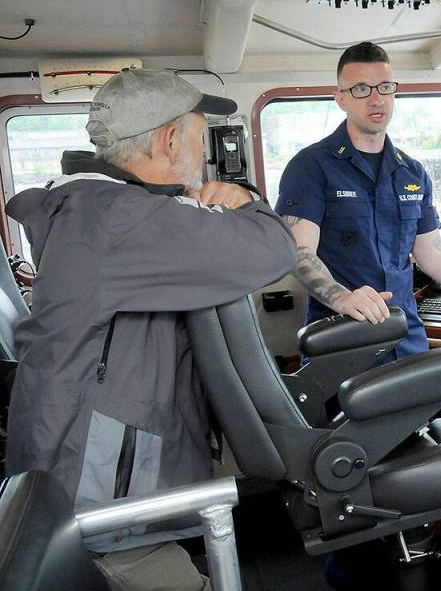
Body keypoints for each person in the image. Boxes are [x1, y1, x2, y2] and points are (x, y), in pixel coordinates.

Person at [5, 69, 298, 590]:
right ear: (169, 140)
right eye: (197, 135)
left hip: (74, 461)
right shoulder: (120, 217)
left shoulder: (98, 207)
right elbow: (271, 250)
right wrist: (243, 203)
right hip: (94, 490)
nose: (202, 154)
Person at [275, 42, 441, 359]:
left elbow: (433, 254)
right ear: (341, 99)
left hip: (405, 337)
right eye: (361, 89)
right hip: (341, 338)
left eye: (384, 87)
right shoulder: (310, 166)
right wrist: (343, 298)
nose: (376, 98)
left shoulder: (411, 172)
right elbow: (298, 252)